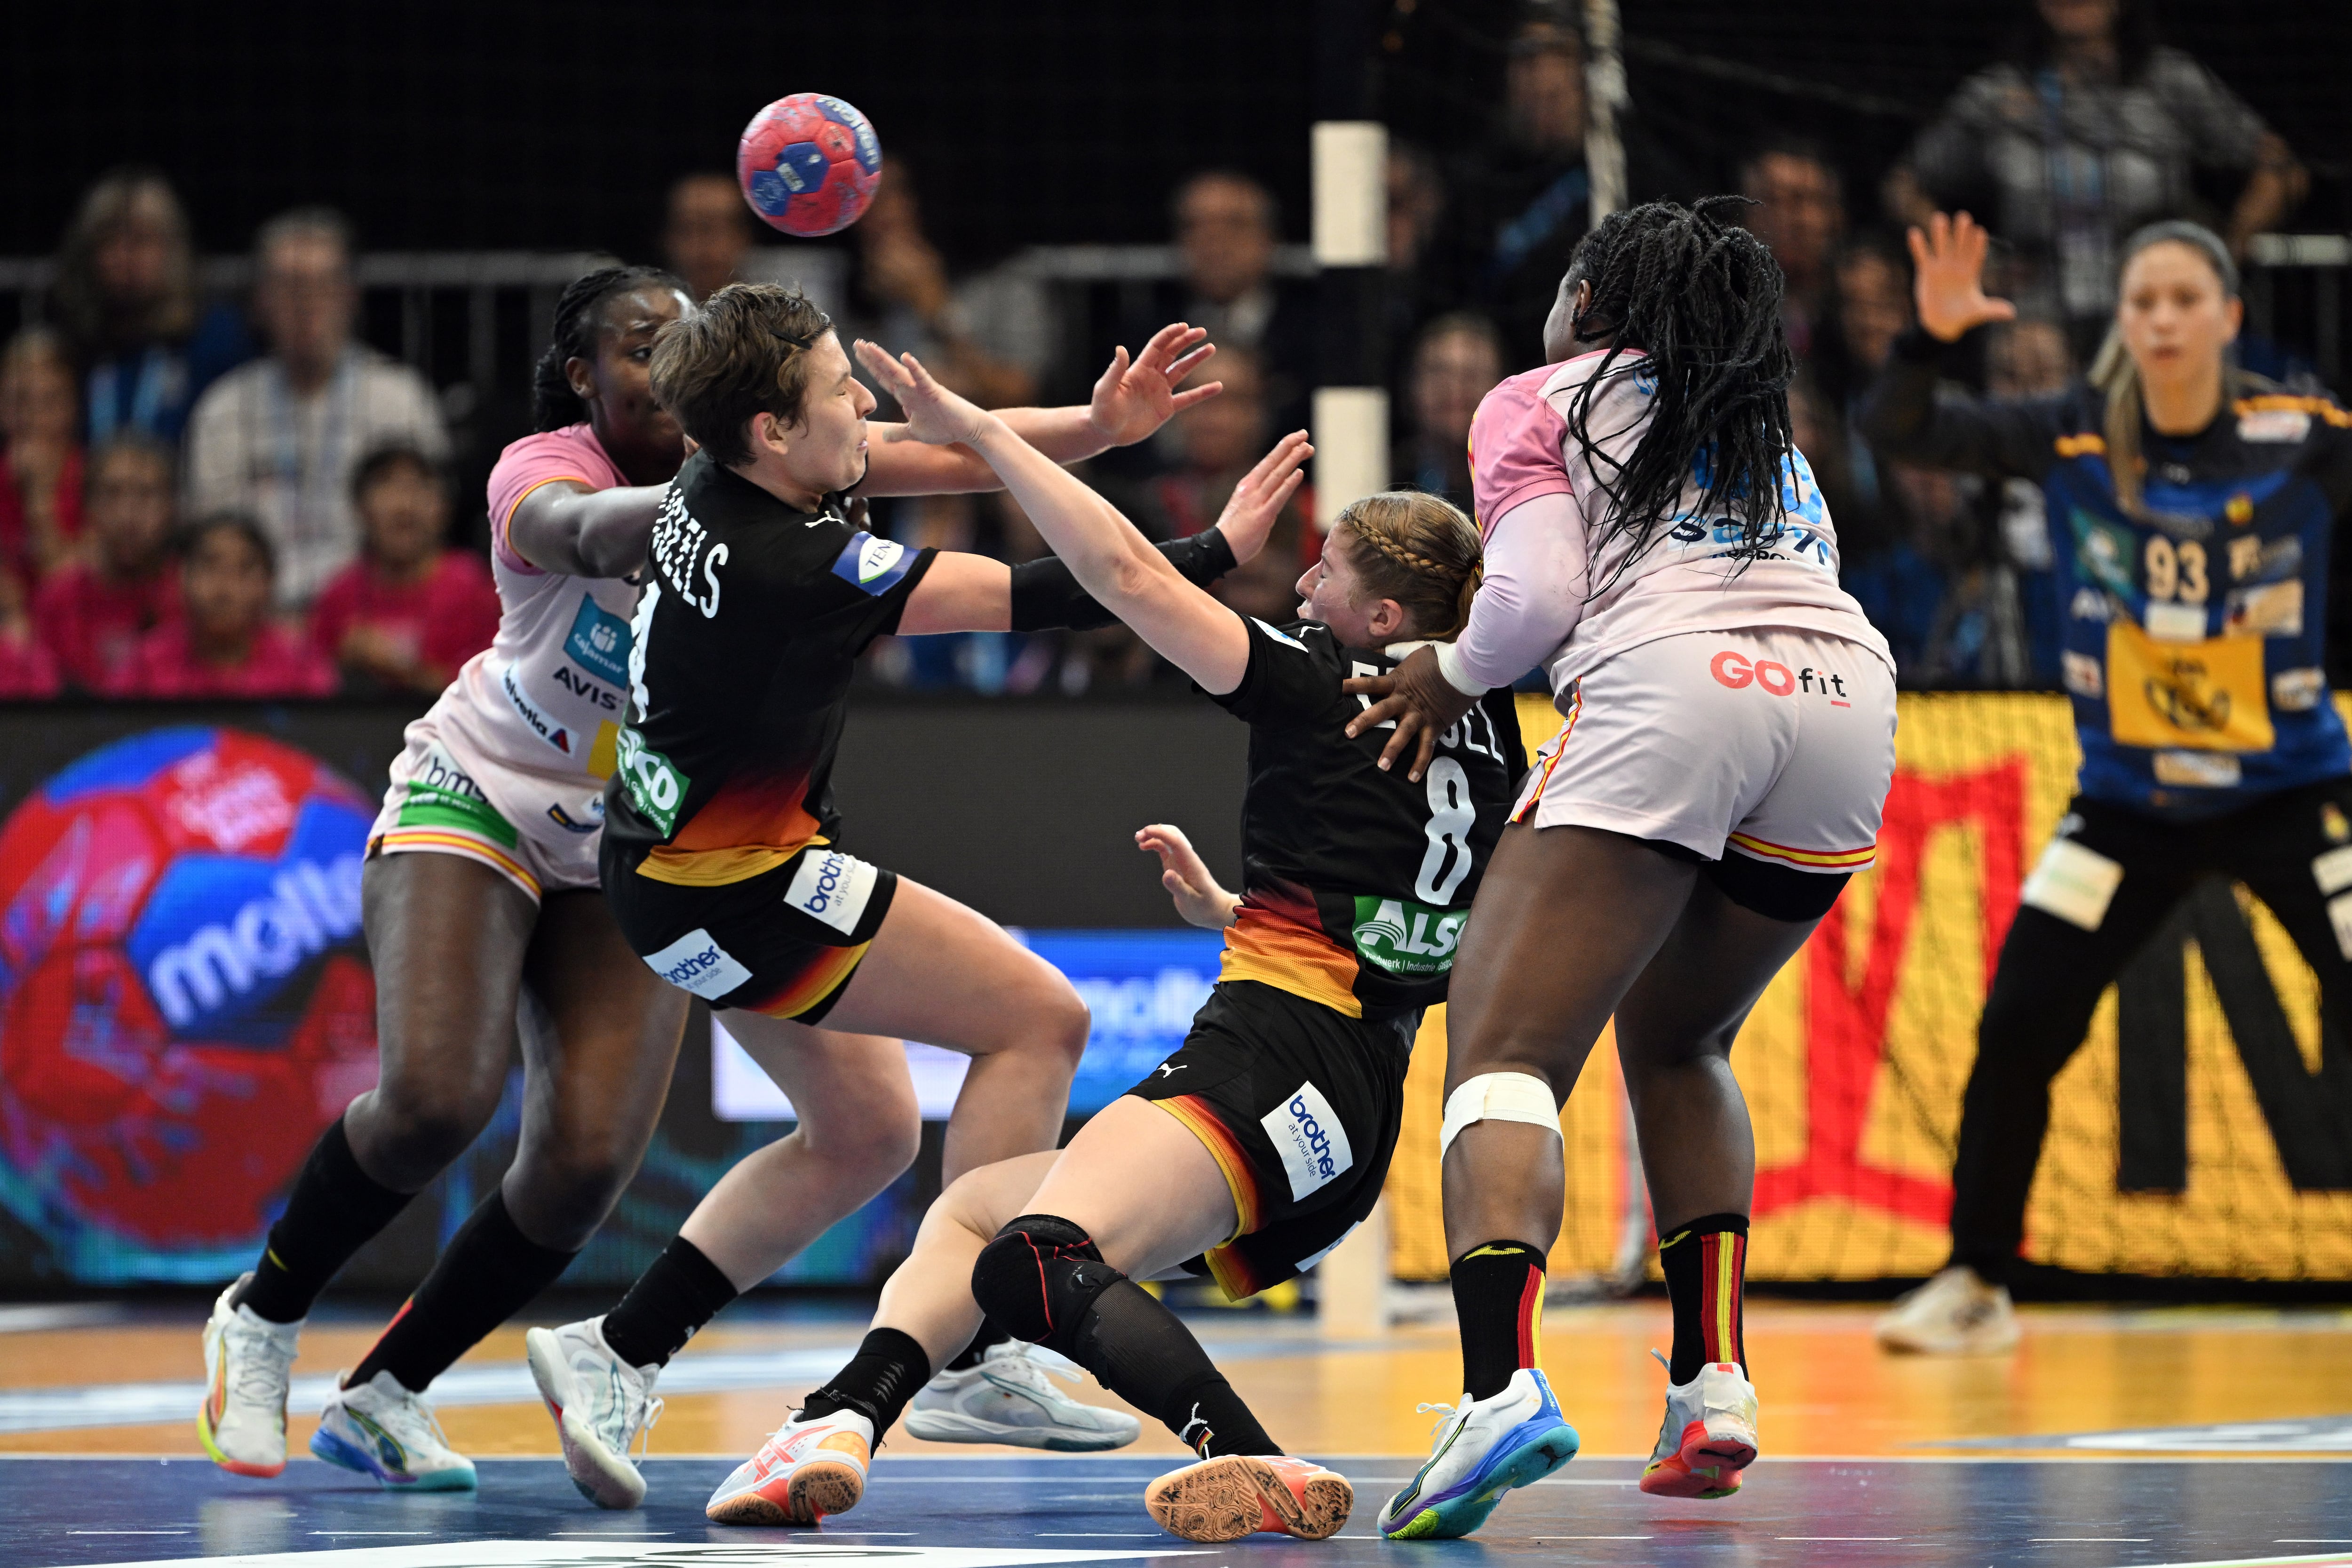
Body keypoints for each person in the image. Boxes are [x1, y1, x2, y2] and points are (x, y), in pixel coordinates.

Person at [683, 343, 1521, 1544]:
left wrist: (983, 432)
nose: (1299, 588)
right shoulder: (1489, 725)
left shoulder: (1322, 680)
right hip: (1354, 1098)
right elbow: (1422, 920)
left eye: (1325, 573)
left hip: (1272, 1057)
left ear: (1383, 619)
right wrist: (1237, 912)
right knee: (973, 1214)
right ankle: (836, 1422)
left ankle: (1252, 1458)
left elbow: (1121, 573)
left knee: (1030, 1257)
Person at [506, 285, 1241, 1512]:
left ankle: (616, 1348)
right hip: (744, 885)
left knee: (865, 1134)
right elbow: (1058, 590)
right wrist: (1216, 551)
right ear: (774, 429)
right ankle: (983, 1344)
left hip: (658, 873)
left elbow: (940, 454)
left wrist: (1098, 429)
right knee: (1040, 1020)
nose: (864, 404)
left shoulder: (719, 473)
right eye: (840, 390)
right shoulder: (796, 562)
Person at [1345, 198, 1898, 1537]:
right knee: (1682, 1038)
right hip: (1845, 699)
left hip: (1675, 688)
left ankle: (1498, 1390)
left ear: (1587, 300)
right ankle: (1713, 1384)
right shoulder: (1765, 428)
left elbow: (1529, 602)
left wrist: (1446, 671)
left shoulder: (1539, 397)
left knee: (1505, 1055)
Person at [194, 267, 703, 1493]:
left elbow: (897, 455)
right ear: (584, 376)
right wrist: (740, 494)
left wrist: (1086, 434)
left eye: (689, 344)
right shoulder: (545, 465)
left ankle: (386, 1392)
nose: (668, 365)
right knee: (435, 1098)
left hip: (627, 839)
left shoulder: (753, 466)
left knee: (585, 1166)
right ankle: (262, 1316)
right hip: (477, 792)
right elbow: (581, 531)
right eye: (640, 346)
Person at [1863, 215, 2352, 1353]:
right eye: (2143, 302)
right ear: (2121, 323)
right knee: (2020, 1020)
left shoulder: (2298, 437)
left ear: (2229, 318)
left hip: (2291, 797)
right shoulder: (2073, 432)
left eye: (2185, 300)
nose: (2163, 320)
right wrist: (1927, 343)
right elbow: (1898, 427)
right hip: (2128, 810)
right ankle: (1976, 1280)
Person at [1883, 0, 2305, 358]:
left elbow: (2283, 171)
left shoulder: (2170, 83)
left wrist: (2223, 254)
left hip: (2151, 312)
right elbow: (1904, 186)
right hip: (2035, 320)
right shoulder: (1999, 94)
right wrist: (1977, 265)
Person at [184, 208, 450, 608]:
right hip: (254, 618)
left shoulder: (400, 399)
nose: (306, 303)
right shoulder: (223, 408)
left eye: (322, 284)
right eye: (289, 286)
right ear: (261, 300)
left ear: (350, 296)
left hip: (372, 611)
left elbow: (428, 530)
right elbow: (210, 535)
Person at [48, 167, 251, 446]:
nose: (124, 257)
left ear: (172, 250)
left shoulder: (216, 340)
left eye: (141, 241)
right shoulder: (74, 347)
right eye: (109, 242)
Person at [849, 161, 1052, 412]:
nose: (873, 213)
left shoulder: (1003, 283)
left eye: (888, 195)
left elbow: (1017, 395)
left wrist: (936, 307)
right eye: (858, 196)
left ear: (922, 200)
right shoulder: (838, 288)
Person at [310, 446, 501, 695]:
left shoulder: (475, 588)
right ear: (360, 510)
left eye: (419, 487)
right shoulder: (339, 596)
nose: (404, 505)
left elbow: (492, 688)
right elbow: (308, 687)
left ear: (445, 509)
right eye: (386, 487)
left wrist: (402, 669)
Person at [107, 513, 335, 699]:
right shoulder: (146, 663)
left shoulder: (302, 668)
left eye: (244, 569)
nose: (224, 589)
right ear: (182, 577)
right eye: (209, 566)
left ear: (269, 583)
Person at [33, 434, 183, 692]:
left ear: (172, 507)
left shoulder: (188, 599)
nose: (128, 516)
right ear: (88, 506)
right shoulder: (56, 601)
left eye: (146, 495)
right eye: (112, 494)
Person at [1739, 140, 1846, 364]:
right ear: (1747, 215)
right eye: (1774, 200)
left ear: (1836, 216)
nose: (1794, 220)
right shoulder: (1723, 310)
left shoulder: (1860, 314)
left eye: (1807, 200)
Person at [0, 328, 85, 589]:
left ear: (73, 407)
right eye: (20, 401)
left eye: (50, 401)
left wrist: (39, 498)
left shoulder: (98, 483)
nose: (35, 419)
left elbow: (67, 583)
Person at [1398, 314, 1507, 512]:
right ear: (1411, 387)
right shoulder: (1380, 472)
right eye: (1439, 373)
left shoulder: (1526, 480)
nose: (1456, 388)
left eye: (1473, 374)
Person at [662, 173, 756, 304]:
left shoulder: (777, 305)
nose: (699, 245)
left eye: (710, 229)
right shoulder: (648, 309)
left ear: (743, 236)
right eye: (686, 229)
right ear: (668, 239)